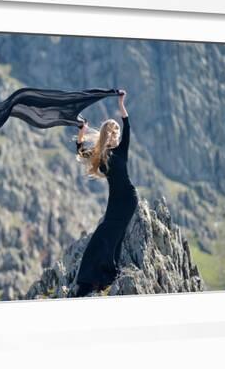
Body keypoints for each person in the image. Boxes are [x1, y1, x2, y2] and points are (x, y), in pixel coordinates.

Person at [73, 89, 139, 297]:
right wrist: (82, 129)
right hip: (114, 202)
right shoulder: (100, 155)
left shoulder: (122, 150)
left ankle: (102, 278)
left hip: (128, 199)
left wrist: (121, 103)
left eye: (117, 133)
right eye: (113, 132)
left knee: (110, 236)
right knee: (108, 237)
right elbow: (80, 150)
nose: (117, 135)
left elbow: (127, 123)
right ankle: (99, 279)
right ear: (107, 134)